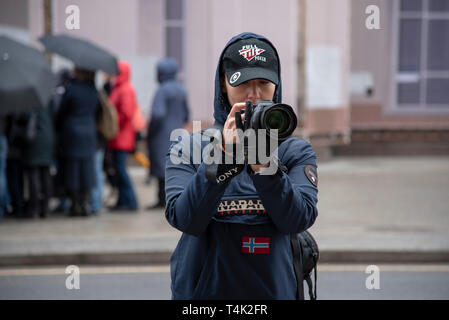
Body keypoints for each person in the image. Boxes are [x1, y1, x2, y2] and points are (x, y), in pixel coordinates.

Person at [165, 32, 318, 299]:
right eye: (244, 83)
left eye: (263, 82)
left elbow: (296, 219)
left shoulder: (295, 151)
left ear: (276, 85)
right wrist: (223, 157)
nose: (255, 95)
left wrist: (265, 166)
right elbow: (186, 220)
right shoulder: (188, 148)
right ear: (223, 84)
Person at [55, 67, 100, 217]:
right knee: (87, 169)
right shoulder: (93, 90)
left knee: (73, 170)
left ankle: (74, 205)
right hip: (89, 132)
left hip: (72, 134)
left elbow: (61, 111)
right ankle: (85, 204)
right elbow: (97, 112)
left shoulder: (71, 89)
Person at [147, 58, 189, 209]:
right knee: (172, 165)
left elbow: (158, 114)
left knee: (160, 167)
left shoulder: (162, 90)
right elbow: (186, 114)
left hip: (161, 134)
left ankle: (161, 199)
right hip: (177, 133)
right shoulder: (181, 89)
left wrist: (151, 129)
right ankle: (171, 197)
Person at [107, 61, 138, 211]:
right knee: (118, 170)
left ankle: (131, 201)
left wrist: (113, 123)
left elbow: (126, 113)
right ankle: (122, 201)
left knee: (121, 170)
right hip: (117, 136)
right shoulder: (118, 88)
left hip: (122, 137)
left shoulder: (125, 89)